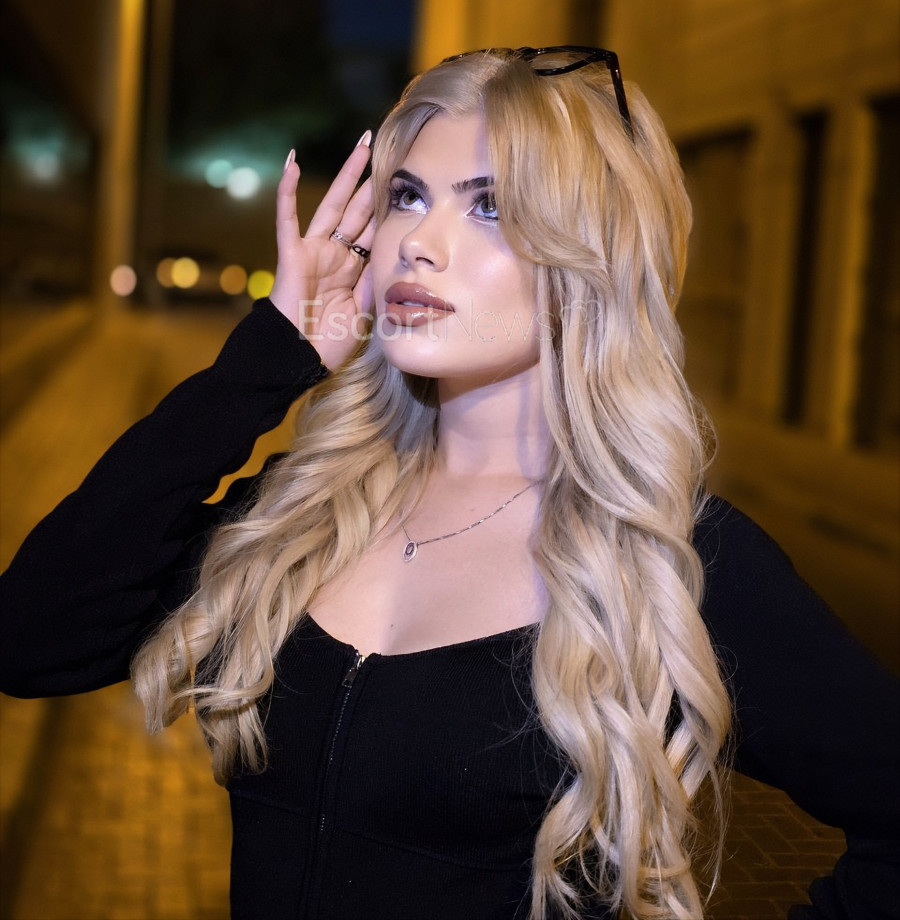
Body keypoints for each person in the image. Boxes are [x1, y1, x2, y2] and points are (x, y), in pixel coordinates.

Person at [0, 47, 897, 920]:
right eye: (407, 196)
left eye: (490, 207)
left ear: (590, 260)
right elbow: (32, 638)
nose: (418, 245)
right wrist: (268, 357)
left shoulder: (673, 563)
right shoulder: (303, 512)